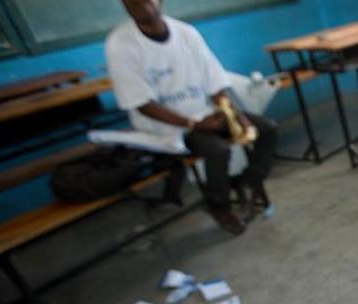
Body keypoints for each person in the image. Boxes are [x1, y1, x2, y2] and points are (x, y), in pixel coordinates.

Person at [105, 0, 278, 234]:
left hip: (203, 113)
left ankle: (249, 180)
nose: (141, 3)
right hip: (165, 126)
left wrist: (235, 115)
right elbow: (142, 104)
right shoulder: (120, 44)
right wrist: (192, 123)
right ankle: (219, 205)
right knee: (217, 149)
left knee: (265, 129)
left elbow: (215, 81)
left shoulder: (186, 33)